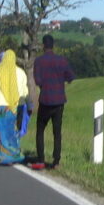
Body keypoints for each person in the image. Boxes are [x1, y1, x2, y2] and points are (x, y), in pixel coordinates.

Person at [32, 34, 75, 169]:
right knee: (57, 132)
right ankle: (56, 161)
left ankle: (41, 159)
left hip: (45, 100)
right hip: (59, 100)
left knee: (40, 130)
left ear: (43, 45)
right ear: (53, 45)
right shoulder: (61, 60)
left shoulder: (38, 61)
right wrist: (59, 80)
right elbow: (70, 77)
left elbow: (38, 81)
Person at [0, 49, 29, 164]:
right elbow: (24, 91)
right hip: (13, 106)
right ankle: (12, 155)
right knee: (10, 131)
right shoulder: (21, 73)